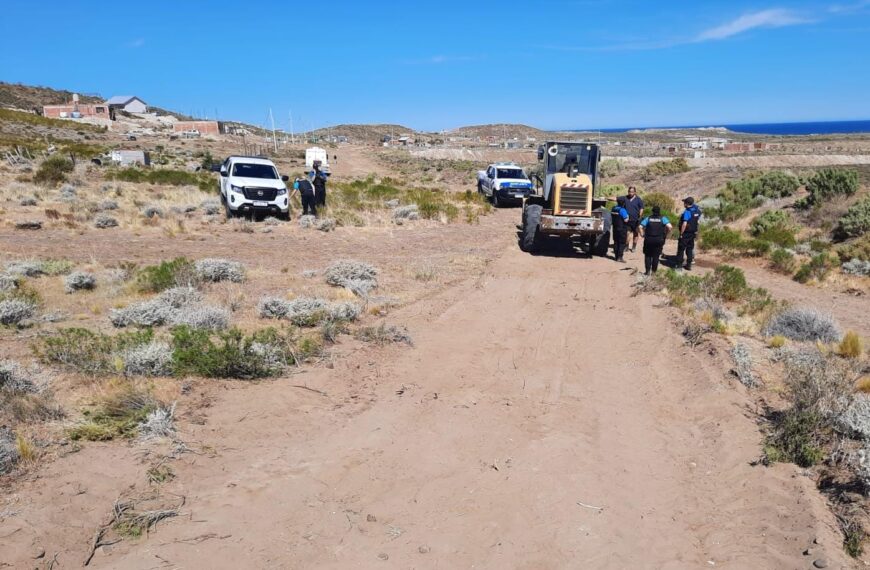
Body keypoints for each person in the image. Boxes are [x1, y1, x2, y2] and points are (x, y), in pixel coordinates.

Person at [639, 206, 672, 275]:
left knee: (648, 255)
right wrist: (666, 234)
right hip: (659, 239)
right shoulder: (663, 218)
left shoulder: (648, 218)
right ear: (659, 211)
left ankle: (647, 271)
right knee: (656, 256)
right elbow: (670, 227)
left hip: (648, 239)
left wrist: (642, 234)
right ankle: (654, 272)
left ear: (652, 211)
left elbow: (640, 226)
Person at [676, 196, 702, 270]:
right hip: (693, 233)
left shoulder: (687, 212)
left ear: (687, 203)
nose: (684, 204)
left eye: (684, 202)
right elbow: (697, 218)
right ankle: (689, 265)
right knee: (689, 249)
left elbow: (684, 224)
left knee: (681, 250)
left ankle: (679, 266)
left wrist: (681, 233)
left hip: (686, 233)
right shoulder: (696, 210)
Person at [624, 186, 644, 253]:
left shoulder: (638, 199)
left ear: (635, 192)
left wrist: (640, 216)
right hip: (627, 220)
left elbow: (641, 208)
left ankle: (634, 247)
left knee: (635, 234)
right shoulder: (626, 198)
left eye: (632, 192)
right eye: (629, 192)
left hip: (636, 220)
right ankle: (626, 246)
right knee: (627, 233)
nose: (630, 193)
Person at [610, 196, 630, 263]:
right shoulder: (622, 210)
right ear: (623, 203)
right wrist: (628, 216)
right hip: (622, 229)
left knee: (616, 242)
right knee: (621, 243)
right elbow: (626, 220)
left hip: (615, 228)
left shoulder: (613, 208)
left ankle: (616, 257)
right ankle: (620, 257)